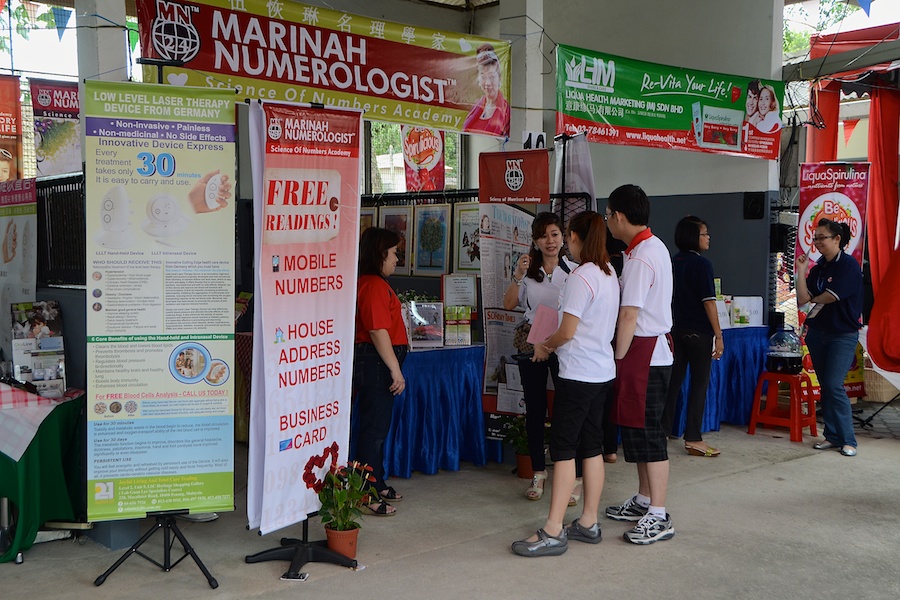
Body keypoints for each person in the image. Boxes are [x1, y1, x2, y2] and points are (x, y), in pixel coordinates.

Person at [511, 211, 619, 557]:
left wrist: (545, 345)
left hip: (578, 375)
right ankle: (588, 521)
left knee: (563, 450)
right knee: (592, 446)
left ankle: (553, 530)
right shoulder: (608, 272)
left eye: (565, 234)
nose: (561, 240)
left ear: (575, 238)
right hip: (601, 372)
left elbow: (567, 330)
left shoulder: (580, 276)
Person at [603, 184, 675, 545]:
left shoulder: (643, 256)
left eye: (608, 215)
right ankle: (645, 499)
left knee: (649, 435)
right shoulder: (646, 248)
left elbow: (629, 314)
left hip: (645, 354)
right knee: (638, 431)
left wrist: (617, 358)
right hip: (644, 352)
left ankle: (659, 514)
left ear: (618, 216)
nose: (607, 222)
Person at [502, 212, 579, 503]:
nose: (550, 241)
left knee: (566, 409)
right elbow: (509, 303)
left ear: (563, 238)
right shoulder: (528, 270)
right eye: (543, 236)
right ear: (535, 240)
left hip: (563, 343)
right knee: (535, 409)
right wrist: (517, 275)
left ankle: (570, 475)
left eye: (555, 234)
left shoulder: (573, 270)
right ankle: (538, 472)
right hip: (532, 342)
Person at [353, 227, 409, 516]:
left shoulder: (375, 282)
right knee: (374, 430)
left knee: (378, 428)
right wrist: (395, 370)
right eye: (394, 253)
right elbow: (377, 329)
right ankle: (366, 492)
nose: (397, 259)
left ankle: (378, 480)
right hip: (376, 363)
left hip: (378, 362)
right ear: (380, 253)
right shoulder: (373, 284)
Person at [795, 219, 862, 457]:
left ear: (837, 239)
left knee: (834, 385)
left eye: (822, 237)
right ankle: (832, 436)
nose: (817, 242)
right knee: (826, 386)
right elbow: (802, 298)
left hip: (842, 335)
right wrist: (801, 271)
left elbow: (830, 297)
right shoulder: (819, 268)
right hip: (818, 333)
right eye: (815, 238)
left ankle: (848, 439)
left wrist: (814, 298)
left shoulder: (848, 266)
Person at [662, 216, 724, 457]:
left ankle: (661, 432)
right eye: (704, 233)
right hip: (699, 332)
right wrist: (718, 334)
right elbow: (709, 302)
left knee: (673, 384)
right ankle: (693, 438)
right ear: (693, 237)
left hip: (675, 329)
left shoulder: (672, 262)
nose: (708, 238)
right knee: (699, 385)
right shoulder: (702, 264)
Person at [462, 43, 510, 138]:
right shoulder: (476, 106)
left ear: (499, 78)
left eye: (492, 77)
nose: (487, 83)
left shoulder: (506, 112)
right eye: (483, 76)